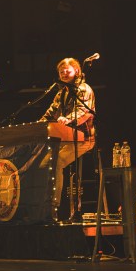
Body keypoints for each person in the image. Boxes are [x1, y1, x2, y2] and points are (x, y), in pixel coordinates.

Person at [40, 57, 95, 219]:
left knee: (54, 162)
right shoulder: (61, 93)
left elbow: (84, 112)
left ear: (76, 71)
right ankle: (43, 206)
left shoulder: (84, 89)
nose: (64, 73)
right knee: (43, 163)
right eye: (61, 71)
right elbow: (50, 114)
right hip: (66, 139)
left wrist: (68, 119)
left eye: (67, 71)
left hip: (84, 139)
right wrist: (37, 126)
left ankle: (52, 209)